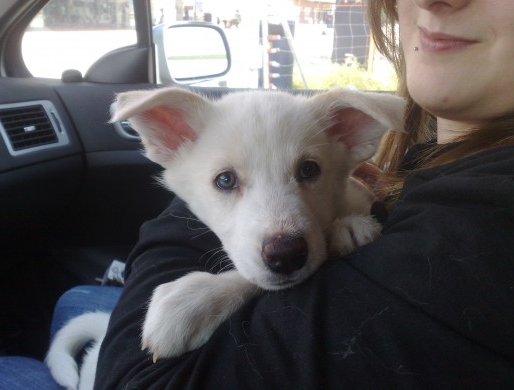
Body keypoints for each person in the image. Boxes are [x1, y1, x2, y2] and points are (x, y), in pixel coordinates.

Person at [94, 0, 514, 388]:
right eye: (227, 181)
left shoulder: (478, 228)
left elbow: (134, 379)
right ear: (169, 139)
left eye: (306, 170)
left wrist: (228, 276)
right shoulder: (428, 166)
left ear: (349, 137)